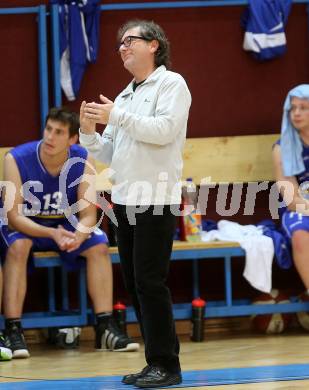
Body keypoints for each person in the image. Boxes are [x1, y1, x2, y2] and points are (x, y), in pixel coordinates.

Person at [79, 19, 191, 388]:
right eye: (120, 44)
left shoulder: (172, 84)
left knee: (150, 281)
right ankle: (153, 361)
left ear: (154, 44)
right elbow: (109, 153)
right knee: (136, 283)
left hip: (156, 199)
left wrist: (118, 117)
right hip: (124, 200)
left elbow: (163, 131)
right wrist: (88, 132)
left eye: (130, 41)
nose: (123, 47)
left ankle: (167, 365)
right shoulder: (125, 94)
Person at [0, 107, 139, 358]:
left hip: (64, 225)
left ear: (73, 138)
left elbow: (87, 214)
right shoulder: (15, 159)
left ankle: (105, 327)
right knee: (18, 247)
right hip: (27, 226)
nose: (50, 137)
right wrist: (51, 234)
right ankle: (12, 330)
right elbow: (14, 217)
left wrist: (80, 235)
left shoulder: (83, 157)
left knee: (98, 243)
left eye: (59, 132)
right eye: (48, 129)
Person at [272, 84, 309, 300]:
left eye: (303, 108)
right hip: (299, 209)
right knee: (300, 234)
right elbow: (291, 199)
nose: (296, 113)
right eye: (293, 108)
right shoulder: (282, 149)